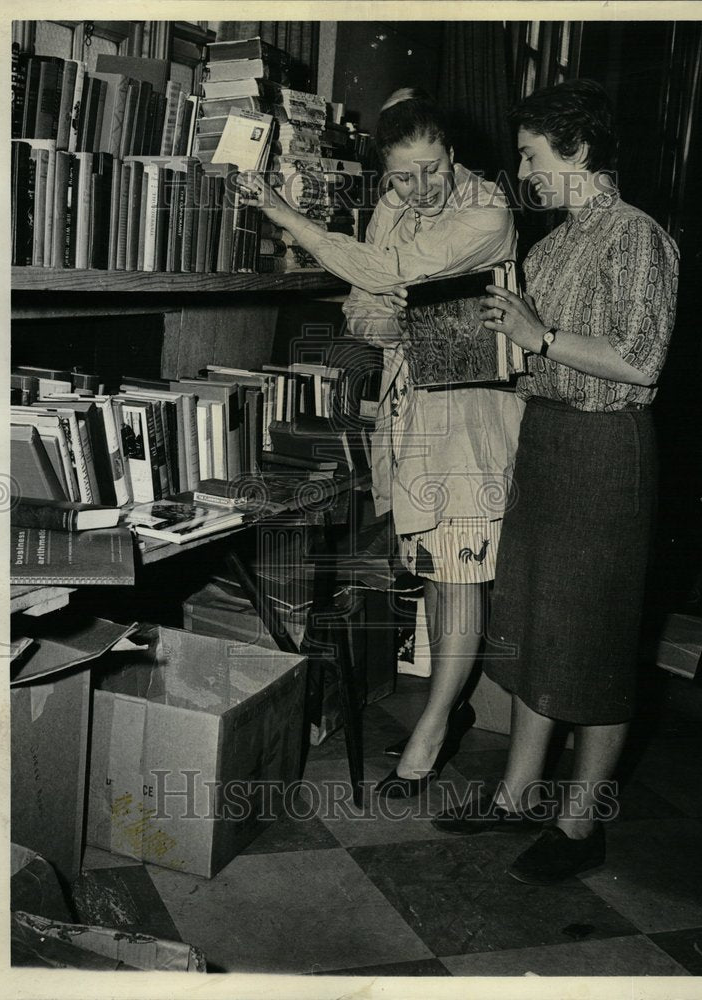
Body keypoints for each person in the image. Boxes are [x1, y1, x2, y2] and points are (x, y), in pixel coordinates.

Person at [431, 79, 679, 884]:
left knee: (595, 644)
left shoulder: (637, 238)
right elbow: (527, 357)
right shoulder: (549, 245)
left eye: (534, 155)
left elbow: (639, 364)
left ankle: (579, 826)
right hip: (546, 443)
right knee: (538, 629)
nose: (524, 171)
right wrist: (453, 338)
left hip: (607, 452)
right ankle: (515, 798)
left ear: (578, 149)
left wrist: (538, 333)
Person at [244, 88, 525, 797]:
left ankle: (428, 739)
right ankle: (446, 709)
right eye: (404, 176)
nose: (421, 188)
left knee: (460, 581)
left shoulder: (487, 210)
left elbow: (377, 272)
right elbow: (362, 311)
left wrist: (284, 214)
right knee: (434, 574)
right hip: (408, 413)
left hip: (470, 422)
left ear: (453, 157)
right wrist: (393, 322)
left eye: (432, 170)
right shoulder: (394, 206)